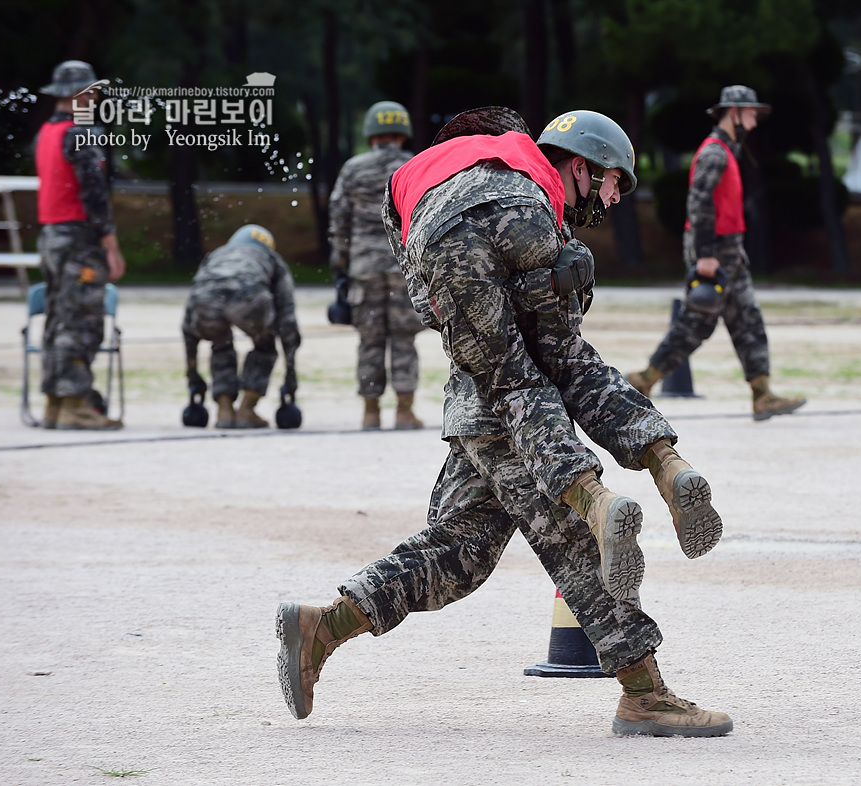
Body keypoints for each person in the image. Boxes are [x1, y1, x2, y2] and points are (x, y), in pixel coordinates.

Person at [276, 266, 734, 739]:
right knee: (576, 543)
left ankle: (322, 628)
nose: (614, 197)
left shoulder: (451, 213)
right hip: (514, 413)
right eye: (615, 185)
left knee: (460, 554)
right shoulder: (529, 206)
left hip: (476, 406)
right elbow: (550, 343)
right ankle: (644, 694)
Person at [383, 108, 722, 600]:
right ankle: (666, 463)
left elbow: (428, 301)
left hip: (437, 237)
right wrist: (544, 285)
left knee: (514, 381)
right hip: (524, 218)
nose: (611, 199)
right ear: (580, 166)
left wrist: (484, 308)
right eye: (611, 183)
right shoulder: (524, 165)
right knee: (572, 359)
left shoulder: (423, 172)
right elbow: (559, 278)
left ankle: (597, 501)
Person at [625, 85, 807, 421]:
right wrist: (706, 255)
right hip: (716, 251)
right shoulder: (715, 153)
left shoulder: (726, 150)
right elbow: (699, 203)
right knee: (697, 323)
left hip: (730, 251)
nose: (754, 123)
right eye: (751, 115)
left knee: (748, 320)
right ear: (734, 113)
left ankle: (762, 394)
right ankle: (643, 380)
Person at [35, 60, 126, 430]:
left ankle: (56, 402)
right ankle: (75, 402)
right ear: (82, 94)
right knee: (83, 319)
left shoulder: (46, 132)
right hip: (79, 239)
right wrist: (111, 244)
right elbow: (94, 192)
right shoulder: (82, 133)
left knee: (57, 318)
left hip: (51, 235)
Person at [328, 101, 426, 431]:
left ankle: (370, 412)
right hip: (404, 267)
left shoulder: (353, 169)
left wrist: (341, 264)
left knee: (369, 339)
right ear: (403, 134)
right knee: (403, 337)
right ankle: (404, 411)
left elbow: (339, 220)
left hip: (364, 267)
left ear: (371, 134)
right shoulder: (415, 166)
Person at [181, 225, 300, 429]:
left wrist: (193, 374)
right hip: (249, 296)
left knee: (221, 344)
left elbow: (193, 303)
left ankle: (224, 409)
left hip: (206, 300)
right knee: (265, 346)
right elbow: (286, 314)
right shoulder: (271, 259)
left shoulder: (216, 255)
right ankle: (247, 409)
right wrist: (290, 372)